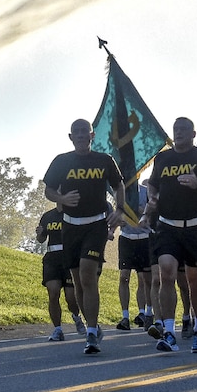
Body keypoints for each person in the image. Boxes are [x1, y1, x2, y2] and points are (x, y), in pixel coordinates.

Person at [139, 117, 197, 354]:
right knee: (167, 273)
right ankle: (169, 332)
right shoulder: (163, 158)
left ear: (193, 133)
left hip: (196, 226)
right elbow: (153, 184)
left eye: (183, 130)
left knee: (194, 280)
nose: (178, 133)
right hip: (168, 225)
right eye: (175, 129)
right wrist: (153, 198)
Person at [43, 119, 126, 354]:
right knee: (78, 281)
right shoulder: (62, 161)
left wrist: (119, 209)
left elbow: (119, 185)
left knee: (88, 275)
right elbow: (48, 189)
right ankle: (93, 324)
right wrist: (61, 199)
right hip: (70, 227)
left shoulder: (104, 160)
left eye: (85, 132)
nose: (80, 135)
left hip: (96, 225)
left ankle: (90, 334)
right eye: (76, 132)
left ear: (92, 135)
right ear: (71, 137)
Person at [36, 205, 85, 341]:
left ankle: (77, 317)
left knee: (71, 298)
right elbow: (41, 239)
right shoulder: (48, 216)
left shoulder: (74, 213)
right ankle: (57, 329)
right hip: (52, 259)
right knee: (53, 293)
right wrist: (39, 233)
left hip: (70, 258)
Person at [116, 183, 155, 332]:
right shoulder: (120, 192)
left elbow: (154, 212)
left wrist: (142, 212)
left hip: (144, 237)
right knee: (124, 277)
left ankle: (146, 313)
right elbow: (117, 213)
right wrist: (118, 220)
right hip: (126, 237)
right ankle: (125, 316)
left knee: (145, 279)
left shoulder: (146, 191)